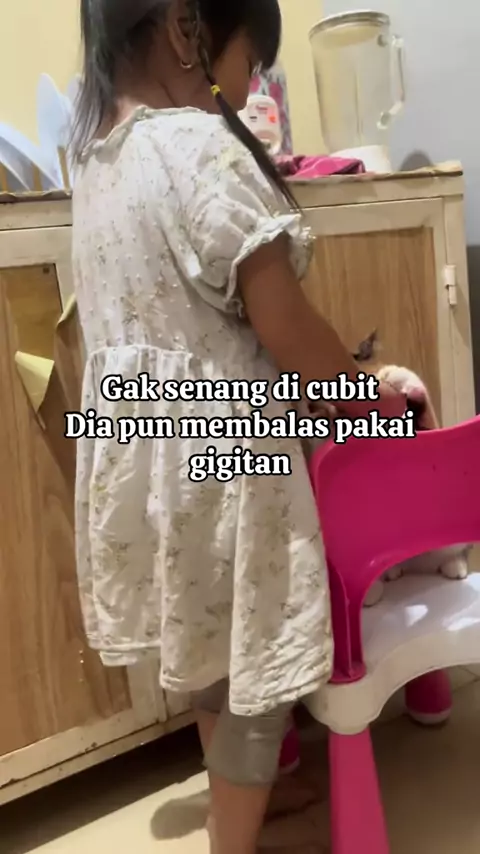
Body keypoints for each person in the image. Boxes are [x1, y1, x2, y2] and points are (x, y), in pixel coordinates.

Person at [71, 1, 405, 852]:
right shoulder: (200, 146)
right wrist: (362, 398)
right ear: (185, 30)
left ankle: (241, 801)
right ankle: (233, 837)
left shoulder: (97, 167)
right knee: (260, 662)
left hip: (148, 463)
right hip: (229, 463)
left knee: (211, 647)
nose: (251, 86)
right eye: (250, 63)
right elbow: (284, 323)